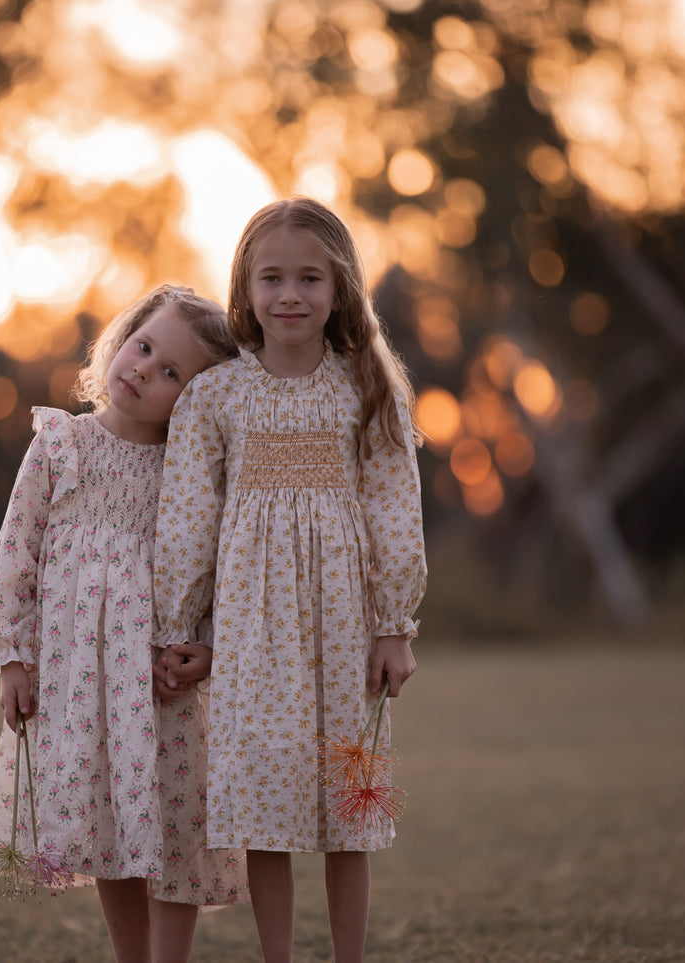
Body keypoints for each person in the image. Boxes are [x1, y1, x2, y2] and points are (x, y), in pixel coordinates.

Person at [153, 198, 428, 963]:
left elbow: (393, 511)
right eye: (271, 277)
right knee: (260, 804)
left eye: (309, 277)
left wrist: (392, 626)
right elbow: (187, 517)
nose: (290, 295)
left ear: (338, 287)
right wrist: (183, 628)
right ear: (244, 287)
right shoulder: (217, 396)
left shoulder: (364, 388)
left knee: (349, 805)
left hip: (342, 624)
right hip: (250, 629)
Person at [0, 283, 247, 963]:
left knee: (177, 818)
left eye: (170, 373)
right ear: (122, 336)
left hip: (160, 681)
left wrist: (203, 648)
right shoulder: (60, 443)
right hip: (84, 680)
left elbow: (216, 568)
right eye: (144, 345)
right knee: (110, 822)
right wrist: (12, 656)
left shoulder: (188, 470)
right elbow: (18, 551)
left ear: (192, 399)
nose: (143, 370)